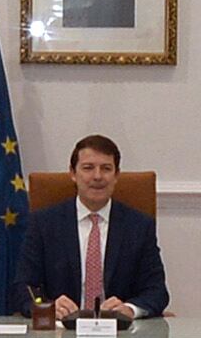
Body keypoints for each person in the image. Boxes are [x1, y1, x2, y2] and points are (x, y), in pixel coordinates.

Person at [20, 135, 169, 322]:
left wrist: (130, 310)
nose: (97, 176)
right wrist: (46, 306)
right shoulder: (44, 223)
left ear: (116, 176)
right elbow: (23, 287)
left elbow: (156, 291)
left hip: (120, 336)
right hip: (60, 335)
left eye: (106, 169)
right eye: (88, 168)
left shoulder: (139, 226)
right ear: (73, 174)